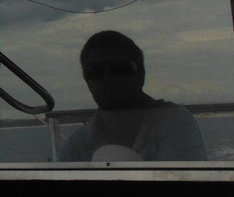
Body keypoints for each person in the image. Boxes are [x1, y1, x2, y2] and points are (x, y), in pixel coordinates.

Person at [62, 30, 206, 162]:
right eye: (95, 72)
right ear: (86, 80)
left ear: (141, 75)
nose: (108, 78)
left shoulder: (174, 123)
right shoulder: (76, 144)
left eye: (120, 69)